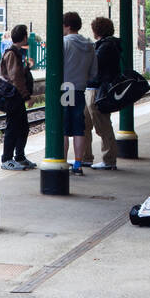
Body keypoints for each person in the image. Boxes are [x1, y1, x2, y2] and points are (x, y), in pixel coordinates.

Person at [60, 11, 97, 176]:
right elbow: (94, 72)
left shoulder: (64, 43)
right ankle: (78, 163)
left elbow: (56, 67)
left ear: (67, 25)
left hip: (66, 87)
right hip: (81, 88)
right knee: (78, 128)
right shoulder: (90, 45)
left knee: (64, 127)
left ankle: (61, 161)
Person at [82, 16, 120, 170]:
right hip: (92, 88)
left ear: (96, 30)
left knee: (102, 126)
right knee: (84, 124)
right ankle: (86, 156)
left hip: (98, 90)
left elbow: (94, 65)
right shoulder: (106, 44)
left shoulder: (107, 46)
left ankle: (109, 159)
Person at [0, 23, 35, 170]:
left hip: (16, 96)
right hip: (14, 97)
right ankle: (7, 159)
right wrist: (27, 97)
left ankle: (19, 156)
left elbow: (17, 74)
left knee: (22, 127)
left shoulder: (15, 53)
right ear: (24, 37)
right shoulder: (12, 53)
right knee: (13, 128)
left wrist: (27, 67)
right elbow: (15, 78)